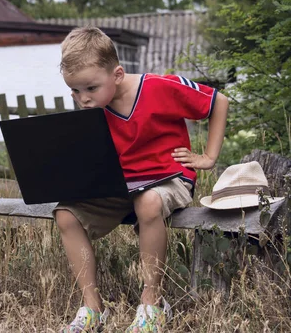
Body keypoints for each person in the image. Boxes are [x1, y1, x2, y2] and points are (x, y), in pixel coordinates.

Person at [55, 26, 229, 332]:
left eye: (90, 89)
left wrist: (208, 158)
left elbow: (219, 102)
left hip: (167, 177)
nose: (82, 98)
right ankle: (93, 308)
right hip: (120, 183)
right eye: (75, 90)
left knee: (148, 202)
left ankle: (153, 303)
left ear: (118, 75)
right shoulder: (94, 105)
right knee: (66, 214)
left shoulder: (159, 87)